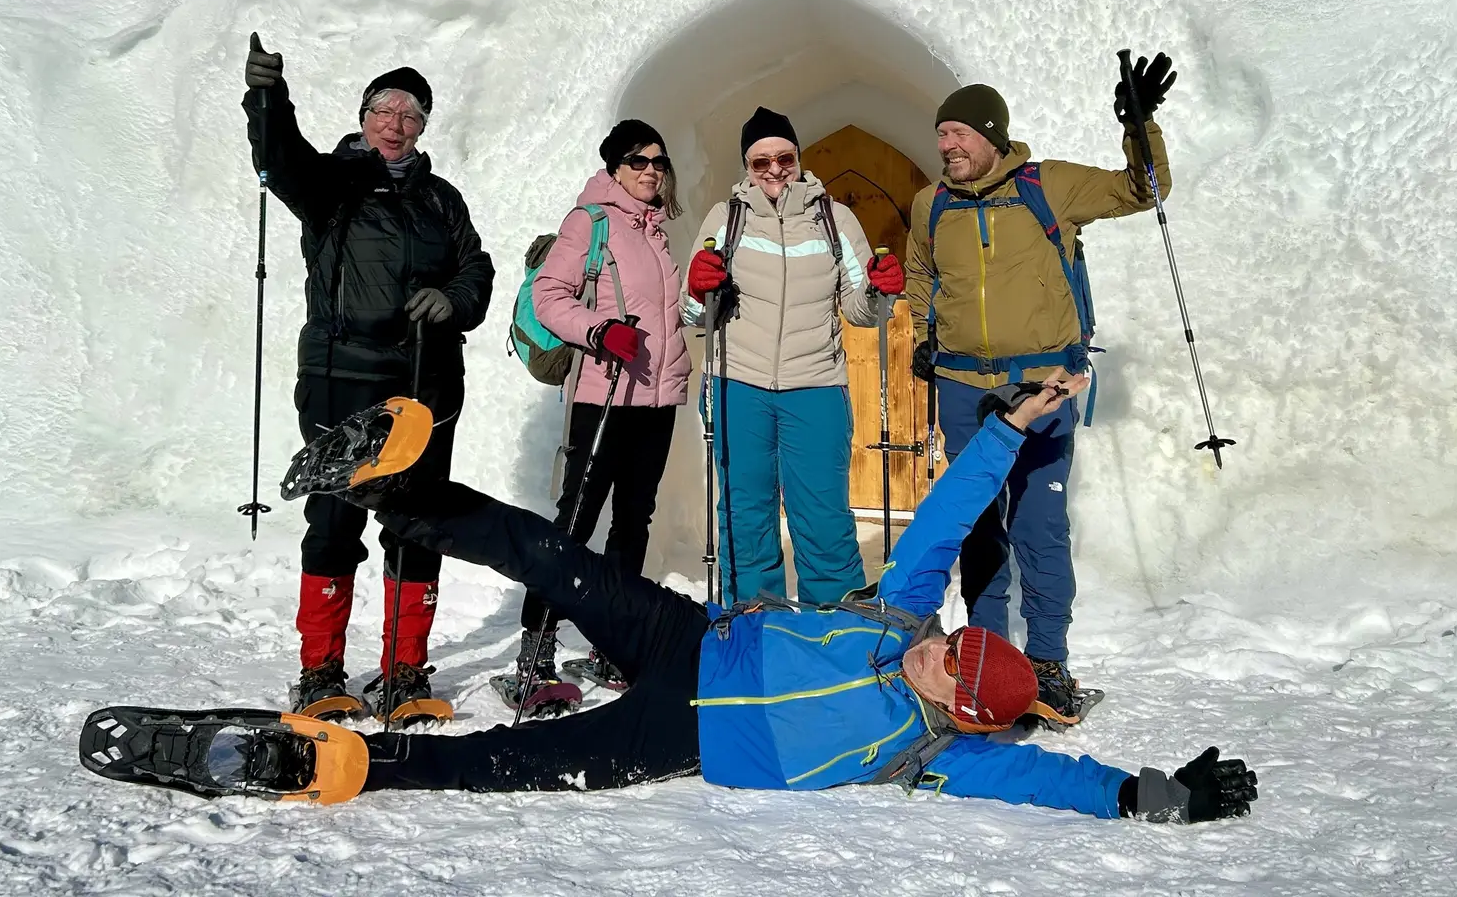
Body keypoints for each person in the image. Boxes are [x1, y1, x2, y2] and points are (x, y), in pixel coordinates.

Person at [94, 373, 1255, 824]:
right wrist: (1005, 430)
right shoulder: (901, 616)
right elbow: (946, 523)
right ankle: (408, 485)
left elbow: (1052, 779)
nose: (937, 652)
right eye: (951, 642)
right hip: (688, 637)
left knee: (513, 765)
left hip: (680, 732)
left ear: (963, 710)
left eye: (954, 669)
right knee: (554, 559)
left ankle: (337, 766)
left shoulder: (932, 754)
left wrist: (1155, 795)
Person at [904, 56, 1176, 722]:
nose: (946, 146)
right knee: (978, 528)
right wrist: (924, 333)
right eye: (940, 134)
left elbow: (1144, 191)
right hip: (965, 388)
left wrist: (1139, 126)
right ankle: (987, 657)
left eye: (959, 133)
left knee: (1040, 525)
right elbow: (919, 268)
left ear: (992, 135)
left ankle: (1049, 660)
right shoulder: (930, 203)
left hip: (1045, 384)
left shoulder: (1047, 186)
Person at [244, 33, 495, 722]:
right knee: (334, 518)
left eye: (412, 115)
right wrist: (268, 96)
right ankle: (321, 673)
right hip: (341, 374)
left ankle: (403, 675)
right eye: (385, 109)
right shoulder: (329, 185)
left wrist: (453, 300)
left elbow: (476, 267)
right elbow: (279, 158)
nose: (396, 123)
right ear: (363, 116)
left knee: (415, 523)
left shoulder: (442, 199)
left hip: (425, 382)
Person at [682, 106, 906, 605]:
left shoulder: (834, 219)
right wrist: (699, 288)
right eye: (760, 162)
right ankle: (752, 626)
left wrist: (878, 291)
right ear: (747, 167)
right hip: (737, 384)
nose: (774, 170)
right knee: (745, 516)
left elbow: (860, 309)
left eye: (784, 157)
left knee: (823, 516)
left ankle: (833, 630)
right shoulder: (727, 218)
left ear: (799, 158)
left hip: (816, 386)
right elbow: (693, 314)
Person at [500, 119, 690, 704]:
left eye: (659, 160)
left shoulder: (656, 229)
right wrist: (600, 331)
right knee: (577, 519)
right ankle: (537, 648)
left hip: (656, 398)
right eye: (638, 161)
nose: (651, 170)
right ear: (614, 168)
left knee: (635, 521)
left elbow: (665, 314)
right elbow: (548, 296)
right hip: (603, 394)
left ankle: (616, 644)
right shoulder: (591, 222)